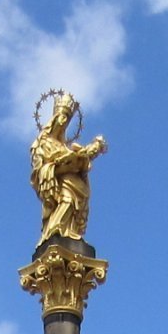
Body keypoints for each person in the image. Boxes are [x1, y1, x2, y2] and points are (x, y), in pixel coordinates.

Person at [30, 90, 107, 244]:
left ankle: (66, 231)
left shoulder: (66, 147)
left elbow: (80, 165)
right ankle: (55, 229)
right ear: (54, 118)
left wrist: (83, 159)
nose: (64, 121)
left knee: (73, 203)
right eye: (62, 116)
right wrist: (55, 167)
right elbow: (39, 171)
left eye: (67, 118)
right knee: (66, 200)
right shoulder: (41, 144)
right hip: (59, 183)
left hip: (75, 183)